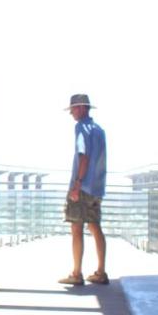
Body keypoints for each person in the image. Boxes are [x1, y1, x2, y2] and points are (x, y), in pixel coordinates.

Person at [58, 94, 108, 286]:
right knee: (95, 227)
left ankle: (77, 273)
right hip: (97, 187)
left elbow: (83, 156)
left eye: (73, 109)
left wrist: (77, 184)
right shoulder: (99, 130)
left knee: (76, 228)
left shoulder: (81, 129)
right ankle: (101, 272)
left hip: (82, 185)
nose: (71, 113)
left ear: (81, 108)